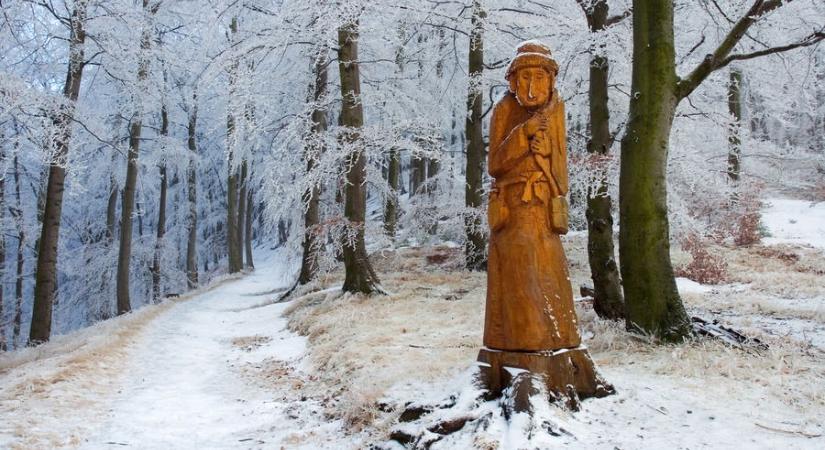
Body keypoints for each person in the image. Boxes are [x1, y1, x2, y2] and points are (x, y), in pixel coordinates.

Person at [484, 41, 580, 352]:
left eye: (539, 78)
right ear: (512, 81)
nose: (530, 87)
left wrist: (549, 152)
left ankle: (560, 345)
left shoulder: (557, 109)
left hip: (544, 210)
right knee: (519, 275)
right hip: (514, 210)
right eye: (524, 79)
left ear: (551, 80)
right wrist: (523, 136)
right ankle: (523, 348)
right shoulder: (504, 109)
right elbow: (495, 164)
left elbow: (562, 178)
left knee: (551, 275)